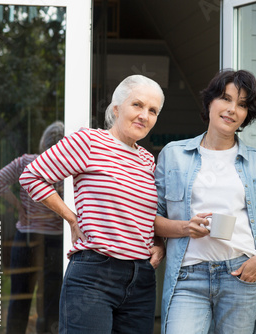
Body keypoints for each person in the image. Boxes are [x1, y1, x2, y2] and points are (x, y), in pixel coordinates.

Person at [20, 75, 166, 333]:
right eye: (137, 105)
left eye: (152, 111)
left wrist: (157, 242)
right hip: (95, 275)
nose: (145, 115)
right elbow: (32, 176)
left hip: (141, 279)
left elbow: (143, 214)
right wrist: (71, 217)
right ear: (116, 108)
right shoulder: (89, 142)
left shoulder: (147, 160)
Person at [154, 69, 256, 334]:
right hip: (188, 277)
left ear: (246, 115)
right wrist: (184, 228)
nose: (232, 109)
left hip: (241, 276)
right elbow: (152, 219)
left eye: (242, 104)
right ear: (210, 102)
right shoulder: (174, 154)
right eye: (225, 98)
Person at [0, 121, 64, 333]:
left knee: (19, 298)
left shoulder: (26, 162)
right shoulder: (66, 170)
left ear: (43, 141)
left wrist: (19, 206)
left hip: (27, 238)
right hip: (55, 242)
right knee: (50, 302)